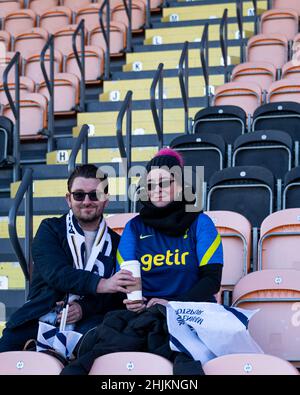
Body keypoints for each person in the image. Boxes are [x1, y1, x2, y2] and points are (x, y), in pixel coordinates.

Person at [0, 164, 136, 352]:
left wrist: (83, 308)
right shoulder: (50, 229)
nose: (87, 201)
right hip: (40, 315)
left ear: (105, 199)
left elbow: (117, 295)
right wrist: (102, 283)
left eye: (94, 195)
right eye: (79, 195)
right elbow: (56, 274)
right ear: (68, 199)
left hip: (91, 321)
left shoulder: (117, 242)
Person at [117, 148, 224, 313]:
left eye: (164, 183)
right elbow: (124, 282)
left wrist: (171, 305)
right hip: (146, 313)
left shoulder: (201, 223)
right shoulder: (133, 227)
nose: (157, 189)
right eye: (150, 185)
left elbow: (211, 281)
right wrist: (133, 302)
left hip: (192, 313)